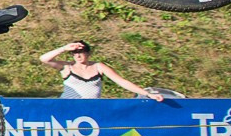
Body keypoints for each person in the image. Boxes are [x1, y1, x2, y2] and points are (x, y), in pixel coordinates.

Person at [39, 41, 167, 101]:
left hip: (92, 109)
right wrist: (64, 48)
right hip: (69, 107)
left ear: (88, 53)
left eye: (80, 52)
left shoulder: (98, 67)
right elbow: (44, 59)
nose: (77, 56)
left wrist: (147, 94)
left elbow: (122, 82)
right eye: (74, 53)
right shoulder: (68, 67)